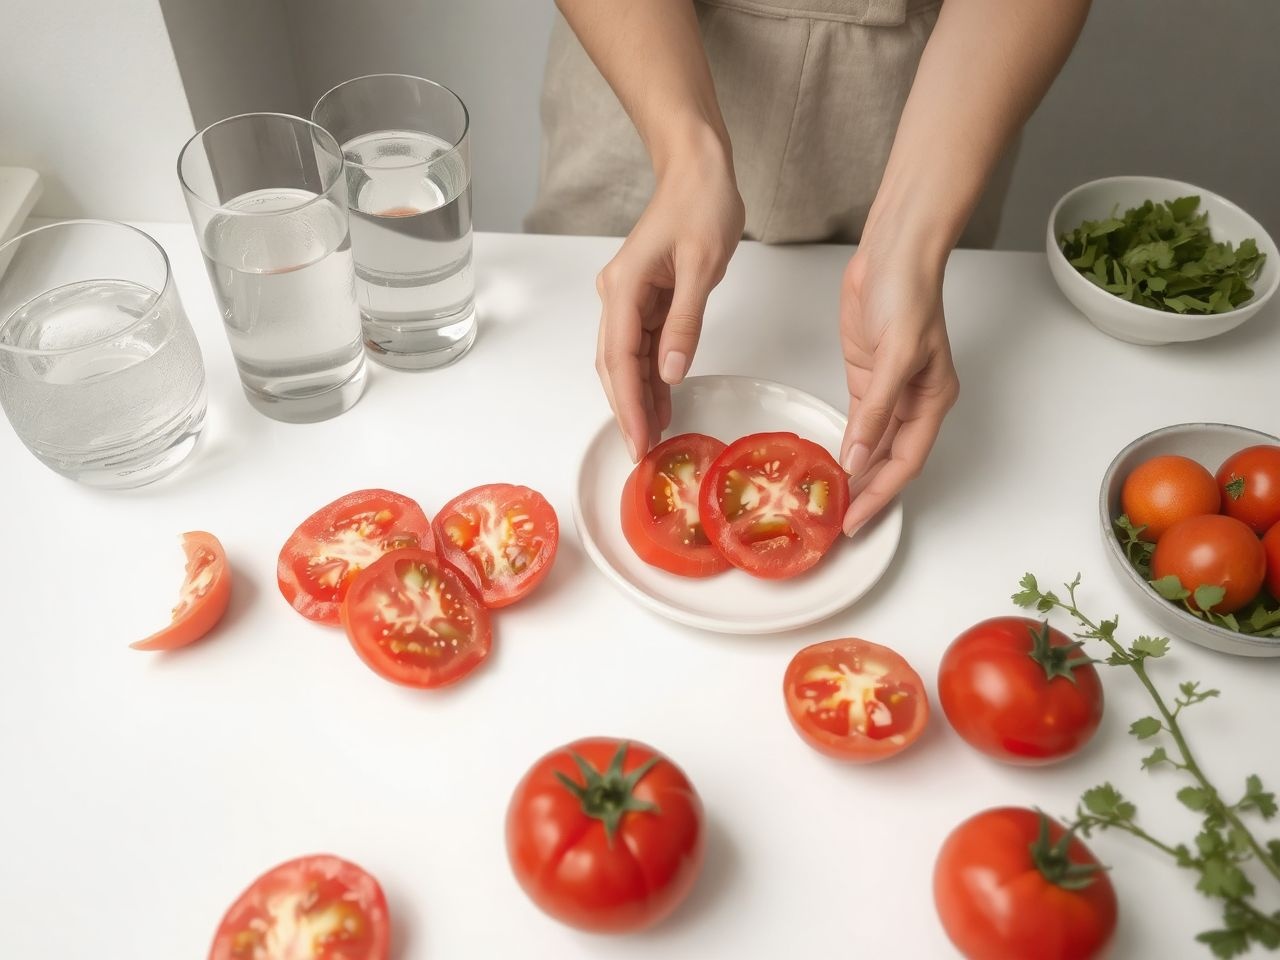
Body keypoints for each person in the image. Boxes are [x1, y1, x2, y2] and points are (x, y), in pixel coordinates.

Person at [526, 0, 1091, 535]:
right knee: (562, 404)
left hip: (932, 104)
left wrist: (909, 235)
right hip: (645, 56)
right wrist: (683, 154)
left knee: (895, 369)